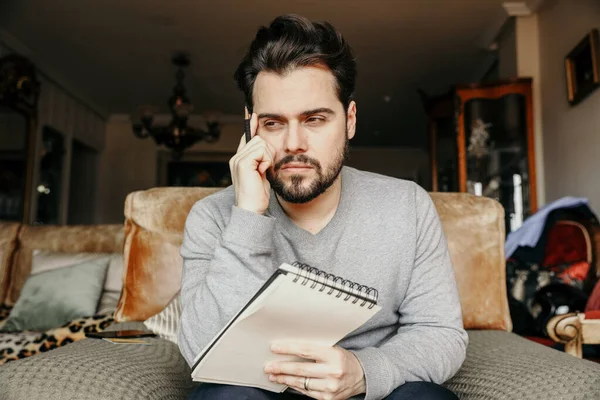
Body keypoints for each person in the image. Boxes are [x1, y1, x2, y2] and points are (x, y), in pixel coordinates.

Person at [179, 14, 467, 400]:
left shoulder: (408, 205)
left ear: (349, 120)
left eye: (314, 119)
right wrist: (248, 216)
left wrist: (365, 371)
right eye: (274, 123)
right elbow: (199, 353)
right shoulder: (213, 217)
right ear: (250, 127)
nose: (294, 143)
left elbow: (441, 333)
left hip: (371, 392)